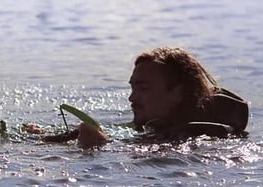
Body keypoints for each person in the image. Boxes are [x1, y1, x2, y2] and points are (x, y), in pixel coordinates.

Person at [76, 47, 249, 149]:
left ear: (179, 93)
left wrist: (103, 145)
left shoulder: (199, 138)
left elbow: (164, 155)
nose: (132, 97)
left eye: (143, 88)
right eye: (132, 87)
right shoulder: (152, 129)